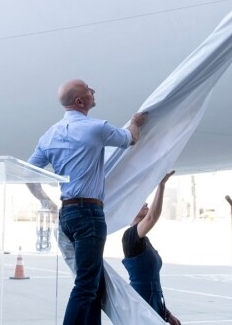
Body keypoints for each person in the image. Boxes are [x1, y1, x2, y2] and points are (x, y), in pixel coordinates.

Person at [27, 79, 147, 325]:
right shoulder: (96, 128)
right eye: (88, 89)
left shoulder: (49, 135)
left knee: (93, 286)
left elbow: (29, 174)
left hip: (66, 214)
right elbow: (130, 139)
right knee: (85, 285)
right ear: (80, 101)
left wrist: (46, 202)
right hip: (89, 215)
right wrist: (136, 122)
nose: (93, 91)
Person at [122, 171, 181, 325]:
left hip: (154, 303)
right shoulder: (130, 237)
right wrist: (161, 185)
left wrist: (166, 313)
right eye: (141, 202)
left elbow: (153, 283)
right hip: (141, 303)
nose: (146, 203)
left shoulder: (144, 239)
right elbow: (152, 217)